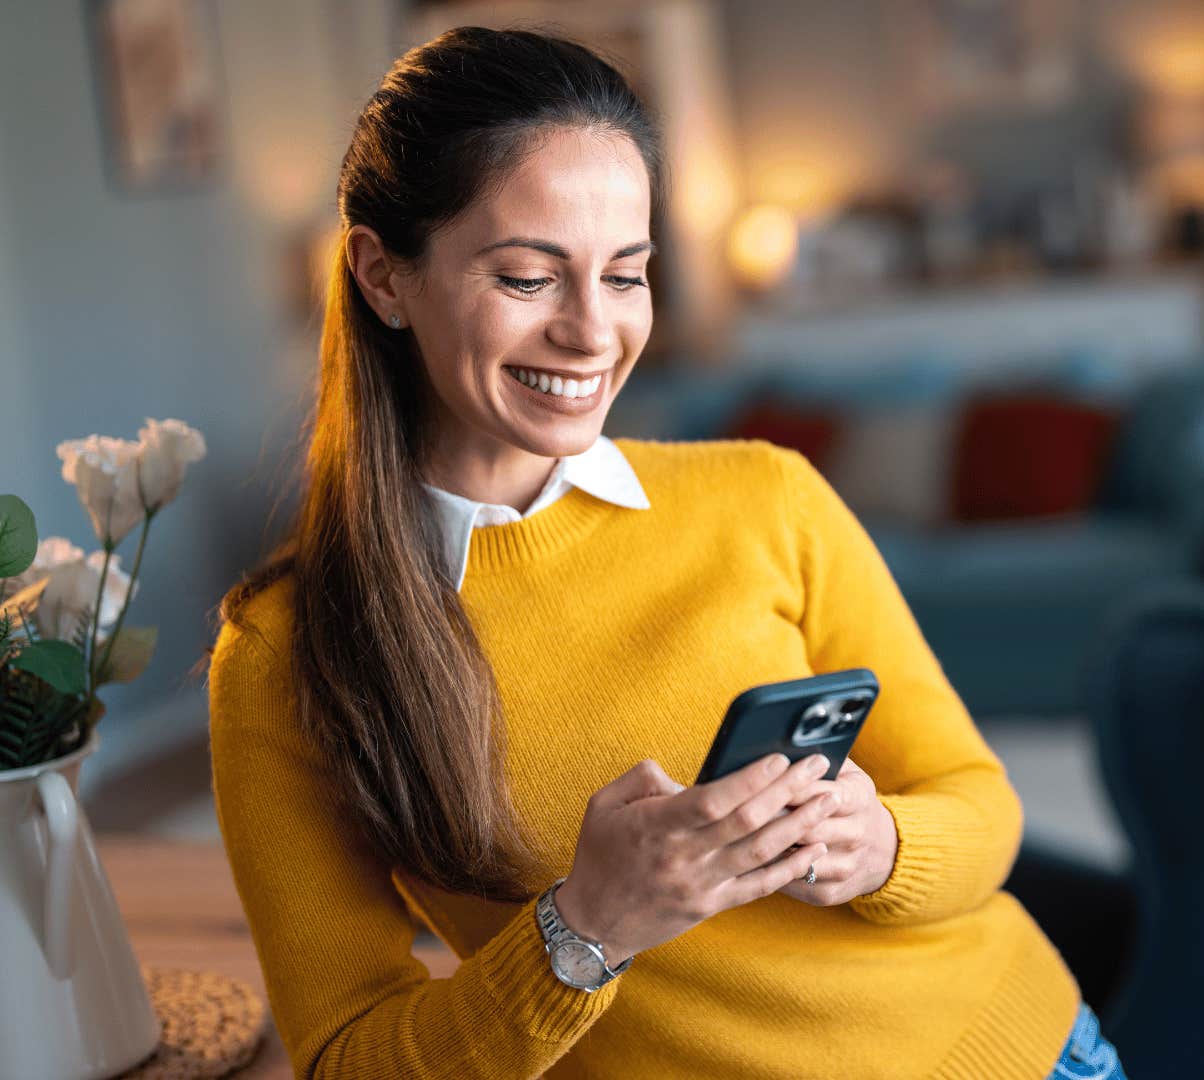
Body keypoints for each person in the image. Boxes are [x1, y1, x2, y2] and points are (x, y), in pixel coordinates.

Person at [204, 25, 1129, 1080]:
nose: (593, 333)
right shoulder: (286, 659)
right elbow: (346, 1060)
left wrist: (882, 847)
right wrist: (587, 929)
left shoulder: (764, 495)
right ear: (382, 277)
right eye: (526, 278)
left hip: (1022, 1047)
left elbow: (980, 800)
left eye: (626, 275)